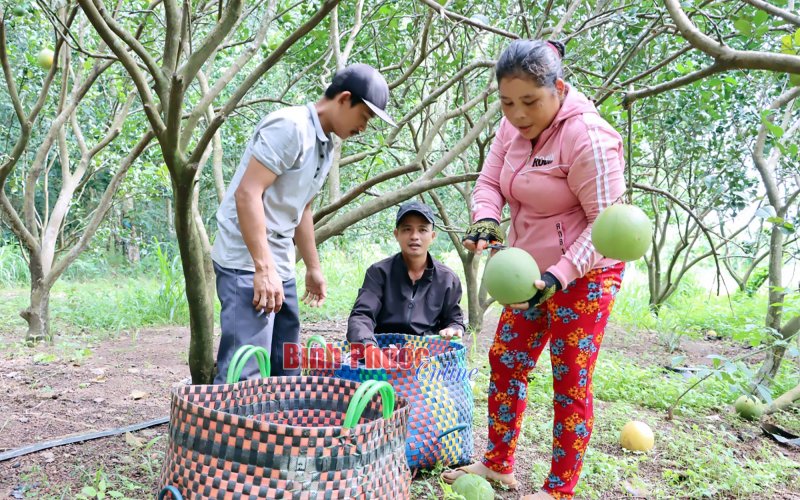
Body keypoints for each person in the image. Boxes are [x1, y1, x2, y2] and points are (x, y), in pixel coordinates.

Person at [441, 39, 626, 500]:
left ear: (558, 89)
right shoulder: (511, 128)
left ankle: (559, 488)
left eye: (529, 101)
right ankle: (498, 464)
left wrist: (558, 276)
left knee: (570, 379)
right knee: (506, 360)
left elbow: (605, 227)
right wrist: (486, 218)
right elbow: (489, 181)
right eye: (507, 103)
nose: (518, 114)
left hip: (586, 274)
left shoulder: (589, 138)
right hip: (529, 271)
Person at [211, 63, 396, 383]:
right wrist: (262, 268)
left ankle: (278, 418)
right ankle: (226, 417)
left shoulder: (325, 145)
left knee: (286, 365)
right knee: (246, 371)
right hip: (246, 260)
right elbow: (247, 193)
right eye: (364, 117)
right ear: (344, 99)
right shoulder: (290, 127)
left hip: (279, 262)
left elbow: (303, 208)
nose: (364, 128)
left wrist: (313, 267)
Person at [346, 200, 465, 368]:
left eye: (422, 230)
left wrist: (453, 328)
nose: (414, 236)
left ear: (432, 236)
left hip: (426, 359)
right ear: (397, 234)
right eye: (407, 229)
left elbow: (454, 319)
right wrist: (367, 346)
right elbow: (361, 315)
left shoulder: (447, 278)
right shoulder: (379, 272)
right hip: (381, 354)